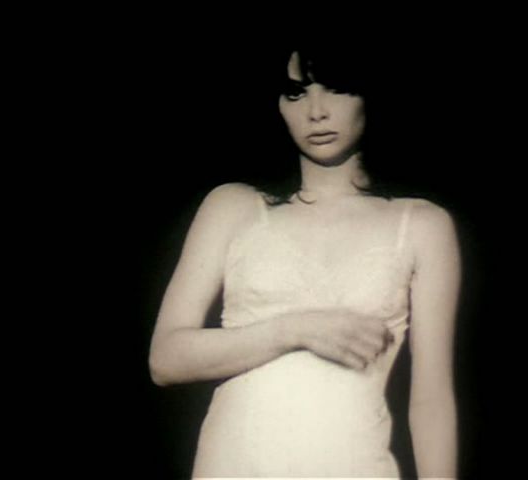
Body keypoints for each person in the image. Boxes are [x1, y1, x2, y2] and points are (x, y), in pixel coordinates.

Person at [149, 44, 461, 479]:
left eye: (336, 89)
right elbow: (165, 359)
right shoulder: (234, 207)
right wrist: (296, 329)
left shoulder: (421, 223)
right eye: (296, 93)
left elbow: (431, 400)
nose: (316, 112)